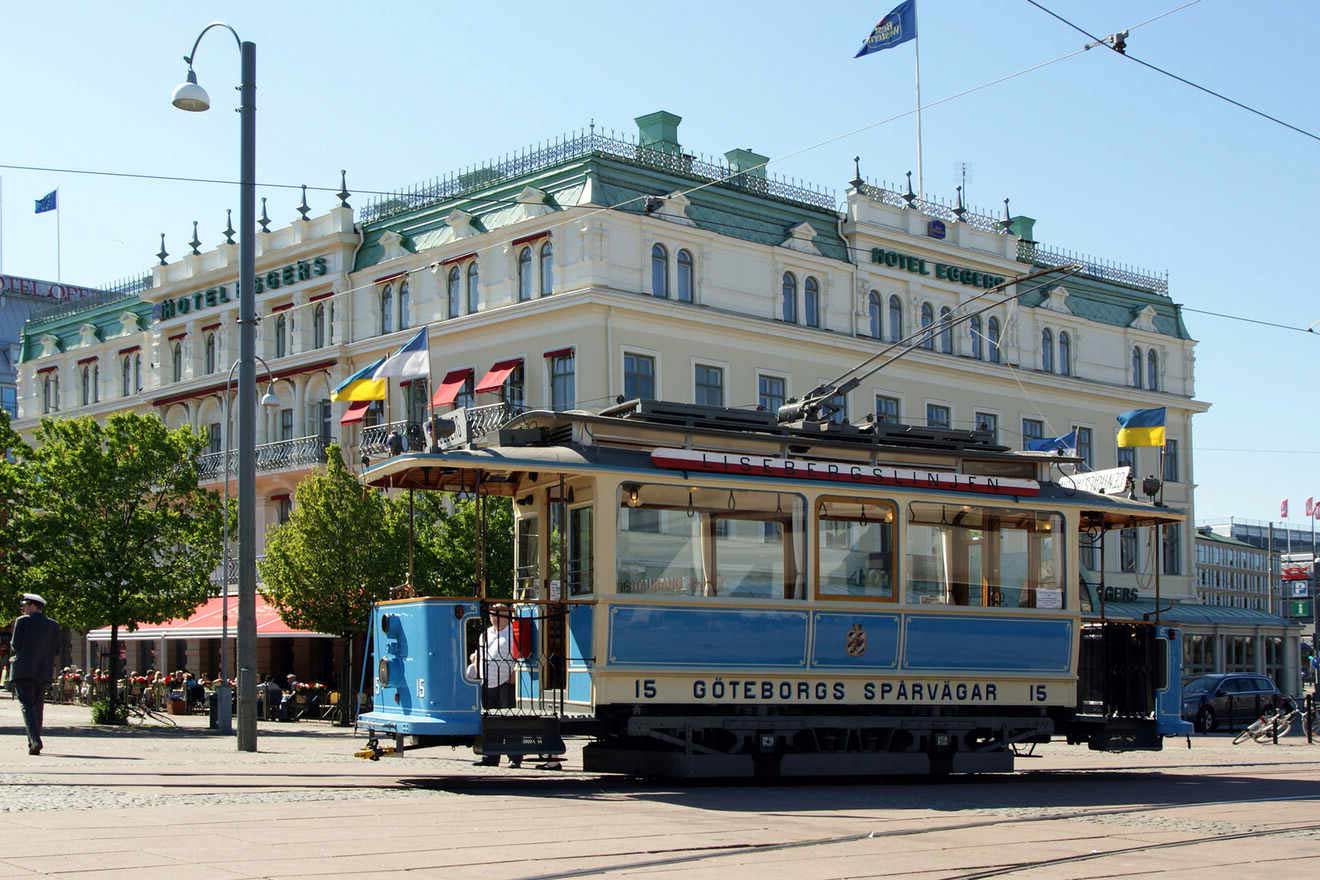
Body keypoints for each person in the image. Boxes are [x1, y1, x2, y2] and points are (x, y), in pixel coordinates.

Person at [9, 594, 62, 756]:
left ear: (33, 606)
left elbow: (15, 645)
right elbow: (57, 649)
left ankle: (35, 740)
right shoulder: (53, 625)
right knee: (38, 707)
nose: (23, 608)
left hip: (23, 671)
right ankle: (33, 741)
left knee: (27, 706)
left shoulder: (22, 621)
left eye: (25, 605)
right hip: (43, 672)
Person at [467, 604, 518, 766]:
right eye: (492, 615)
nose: (495, 618)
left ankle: (514, 757)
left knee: (508, 721)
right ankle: (491, 756)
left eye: (498, 614)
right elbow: (479, 654)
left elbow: (520, 657)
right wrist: (476, 670)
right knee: (489, 721)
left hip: (505, 682)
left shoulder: (512, 633)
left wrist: (514, 676)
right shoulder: (486, 633)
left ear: (506, 615)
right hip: (486, 681)